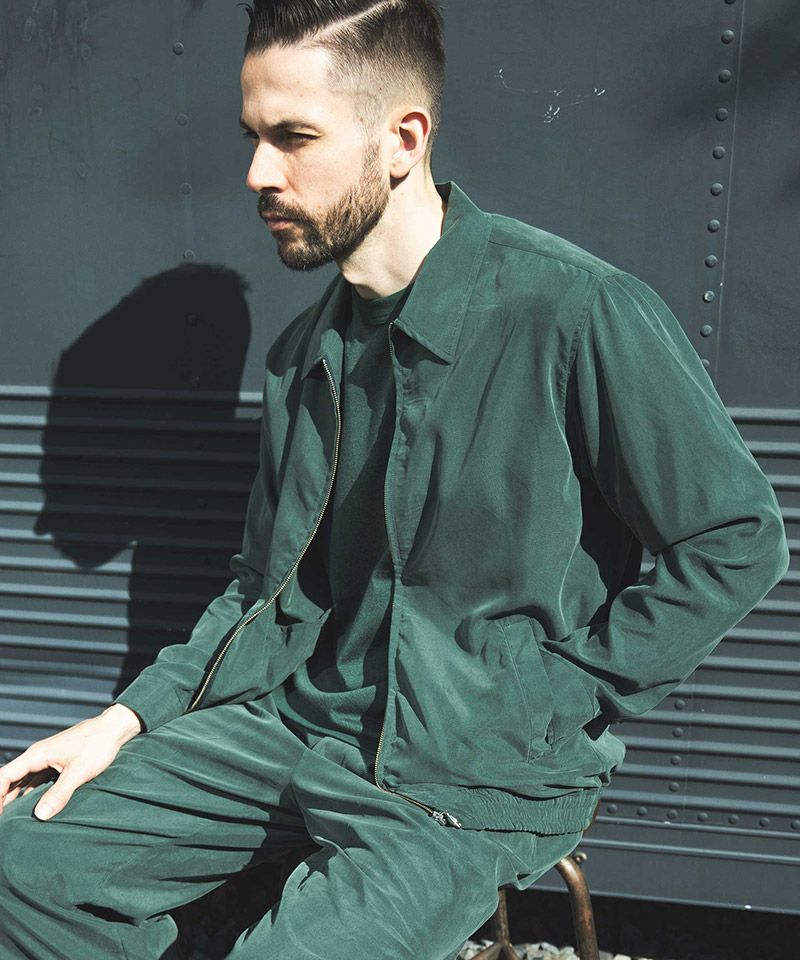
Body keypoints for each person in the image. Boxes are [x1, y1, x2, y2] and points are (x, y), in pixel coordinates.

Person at [0, 1, 789, 957]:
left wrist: (558, 695)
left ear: (403, 139)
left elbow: (735, 539)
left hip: (470, 774)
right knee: (19, 859)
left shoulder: (573, 311)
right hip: (301, 728)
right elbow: (266, 594)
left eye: (295, 138)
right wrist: (126, 719)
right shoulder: (304, 355)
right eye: (253, 138)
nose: (258, 174)